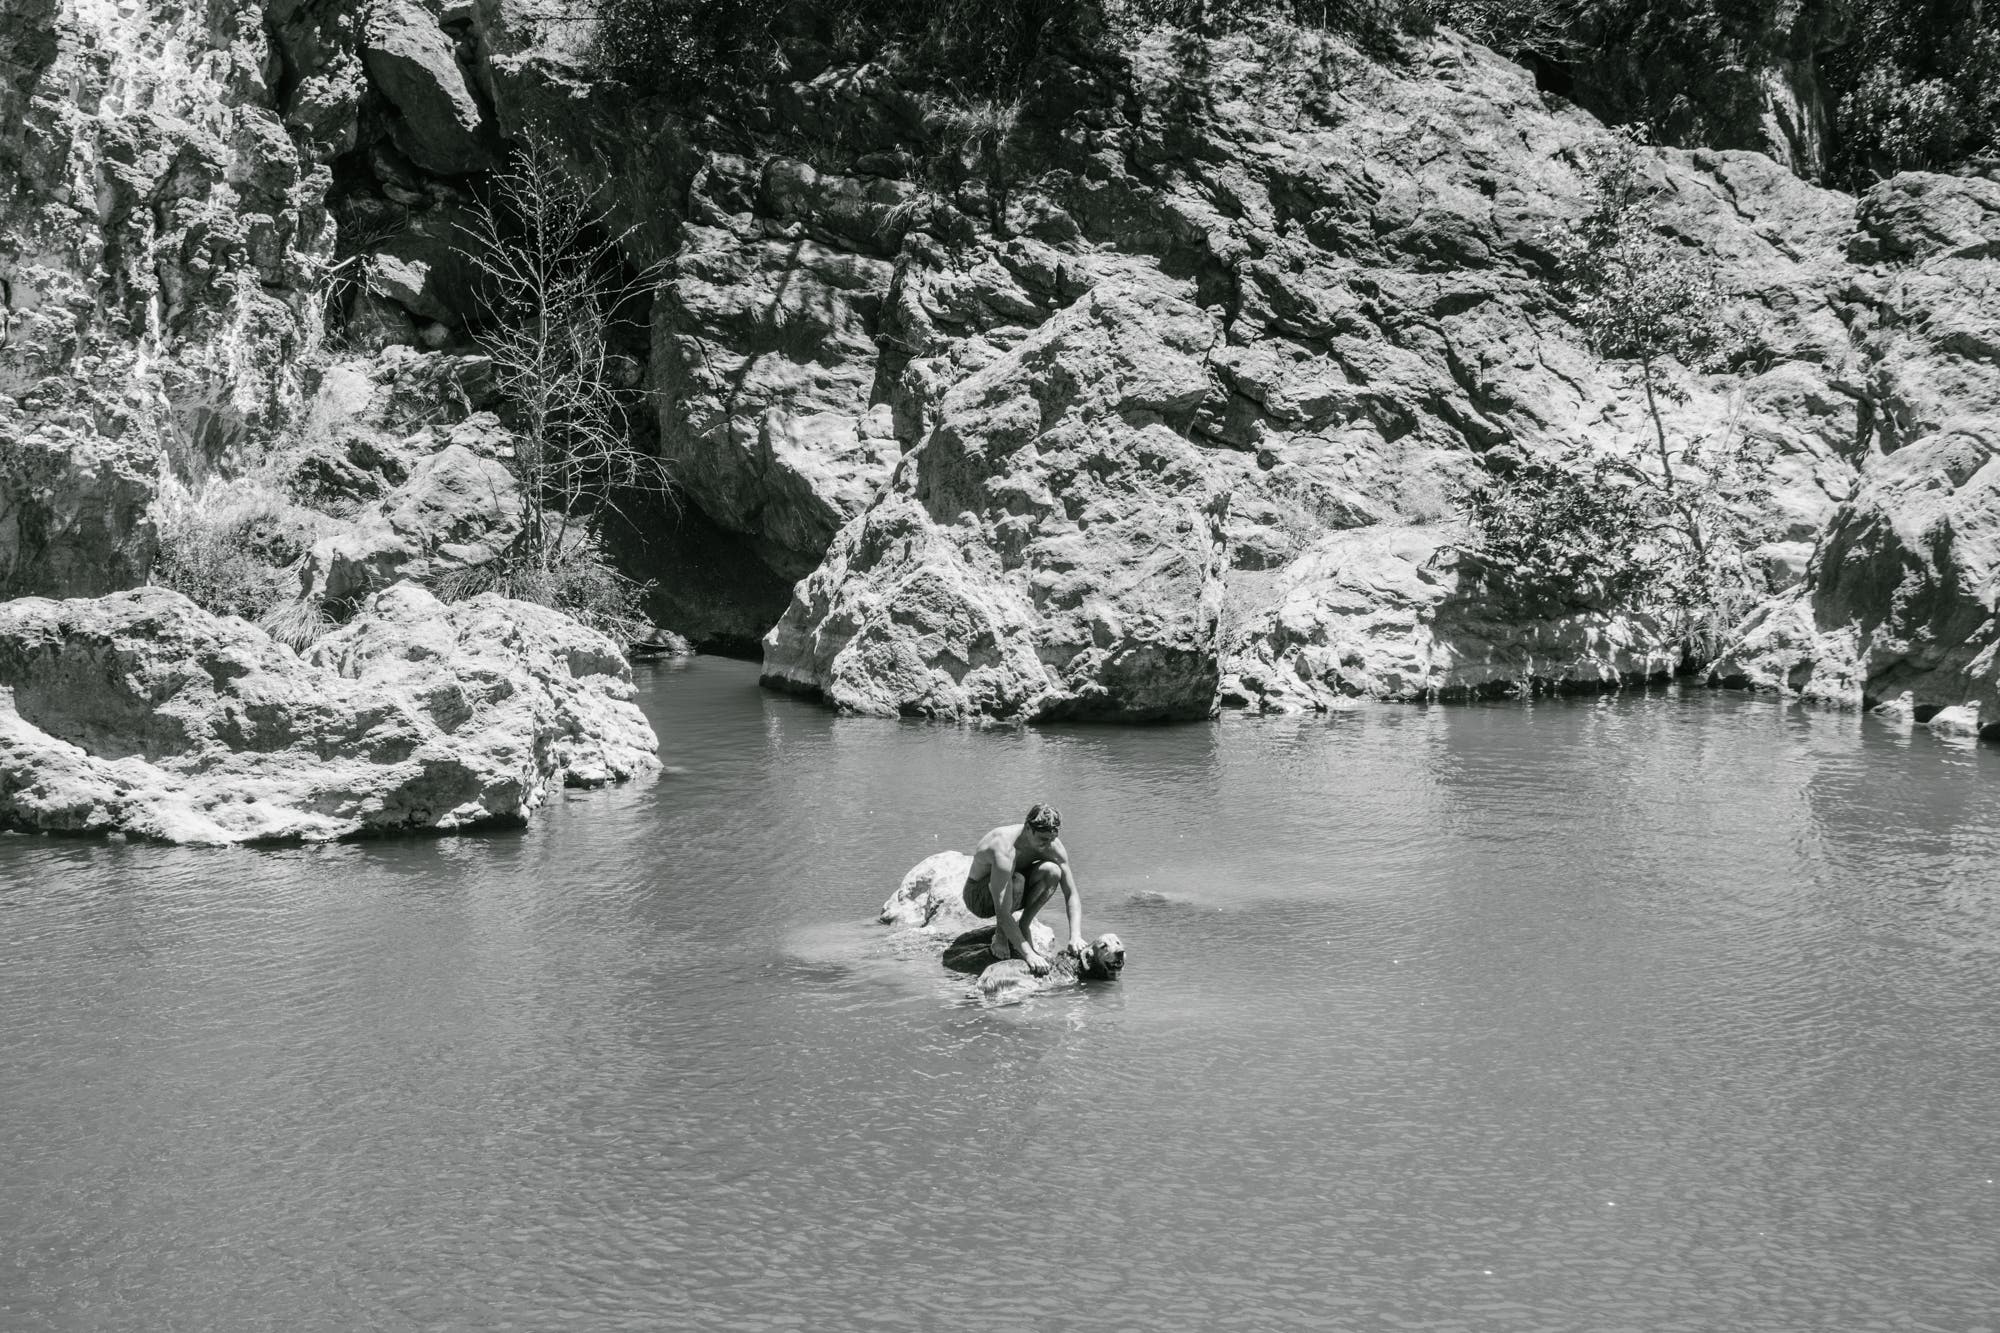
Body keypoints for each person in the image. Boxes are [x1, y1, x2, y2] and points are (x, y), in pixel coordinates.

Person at [962, 803, 1086, 976]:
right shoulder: (1004, 847)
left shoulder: (1053, 845)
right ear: (1028, 828)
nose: (1048, 844)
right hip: (979, 897)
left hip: (1012, 889)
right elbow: (1003, 910)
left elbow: (1071, 893)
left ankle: (1024, 924)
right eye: (1043, 839)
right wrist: (1029, 954)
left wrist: (1075, 936)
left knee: (1052, 871)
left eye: (1052, 838)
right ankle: (1000, 935)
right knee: (1017, 880)